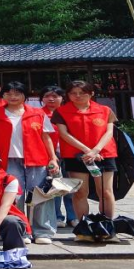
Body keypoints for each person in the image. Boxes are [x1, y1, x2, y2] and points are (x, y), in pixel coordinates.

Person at [0, 81, 60, 244]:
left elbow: (46, 137)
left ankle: (43, 231)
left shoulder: (37, 113)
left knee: (40, 195)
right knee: (14, 196)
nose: (13, 97)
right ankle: (21, 230)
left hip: (37, 159)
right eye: (8, 93)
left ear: (25, 95)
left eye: (17, 93)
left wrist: (53, 158)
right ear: (3, 96)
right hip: (7, 160)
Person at [52, 80, 118, 219]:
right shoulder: (61, 111)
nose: (78, 96)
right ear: (68, 95)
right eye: (73, 93)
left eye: (82, 93)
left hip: (103, 154)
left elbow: (109, 132)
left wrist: (96, 150)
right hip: (75, 155)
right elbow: (64, 134)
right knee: (80, 192)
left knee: (105, 192)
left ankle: (107, 224)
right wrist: (88, 151)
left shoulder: (105, 110)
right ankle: (83, 225)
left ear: (91, 93)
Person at [39, 85, 76, 227]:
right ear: (42, 99)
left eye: (55, 96)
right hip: (49, 155)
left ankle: (73, 216)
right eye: (47, 96)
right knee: (54, 185)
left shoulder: (70, 112)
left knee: (70, 185)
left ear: (62, 98)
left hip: (71, 153)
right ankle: (57, 216)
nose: (51, 99)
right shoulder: (38, 114)